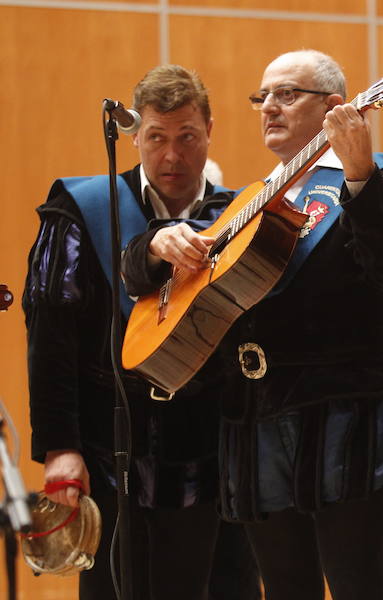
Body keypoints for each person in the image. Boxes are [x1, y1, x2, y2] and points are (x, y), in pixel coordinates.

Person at [121, 49, 383, 600]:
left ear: (336, 107)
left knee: (357, 585)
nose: (269, 106)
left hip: (341, 413)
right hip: (253, 418)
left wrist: (360, 175)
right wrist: (154, 243)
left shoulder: (379, 177)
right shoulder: (246, 200)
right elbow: (137, 272)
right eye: (262, 96)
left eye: (287, 94)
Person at [24, 65, 258, 599]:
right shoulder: (82, 211)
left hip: (216, 456)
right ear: (134, 136)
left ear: (210, 131)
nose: (171, 156)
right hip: (113, 452)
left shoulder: (240, 217)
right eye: (155, 138)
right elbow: (50, 338)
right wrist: (60, 447)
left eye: (187, 137)